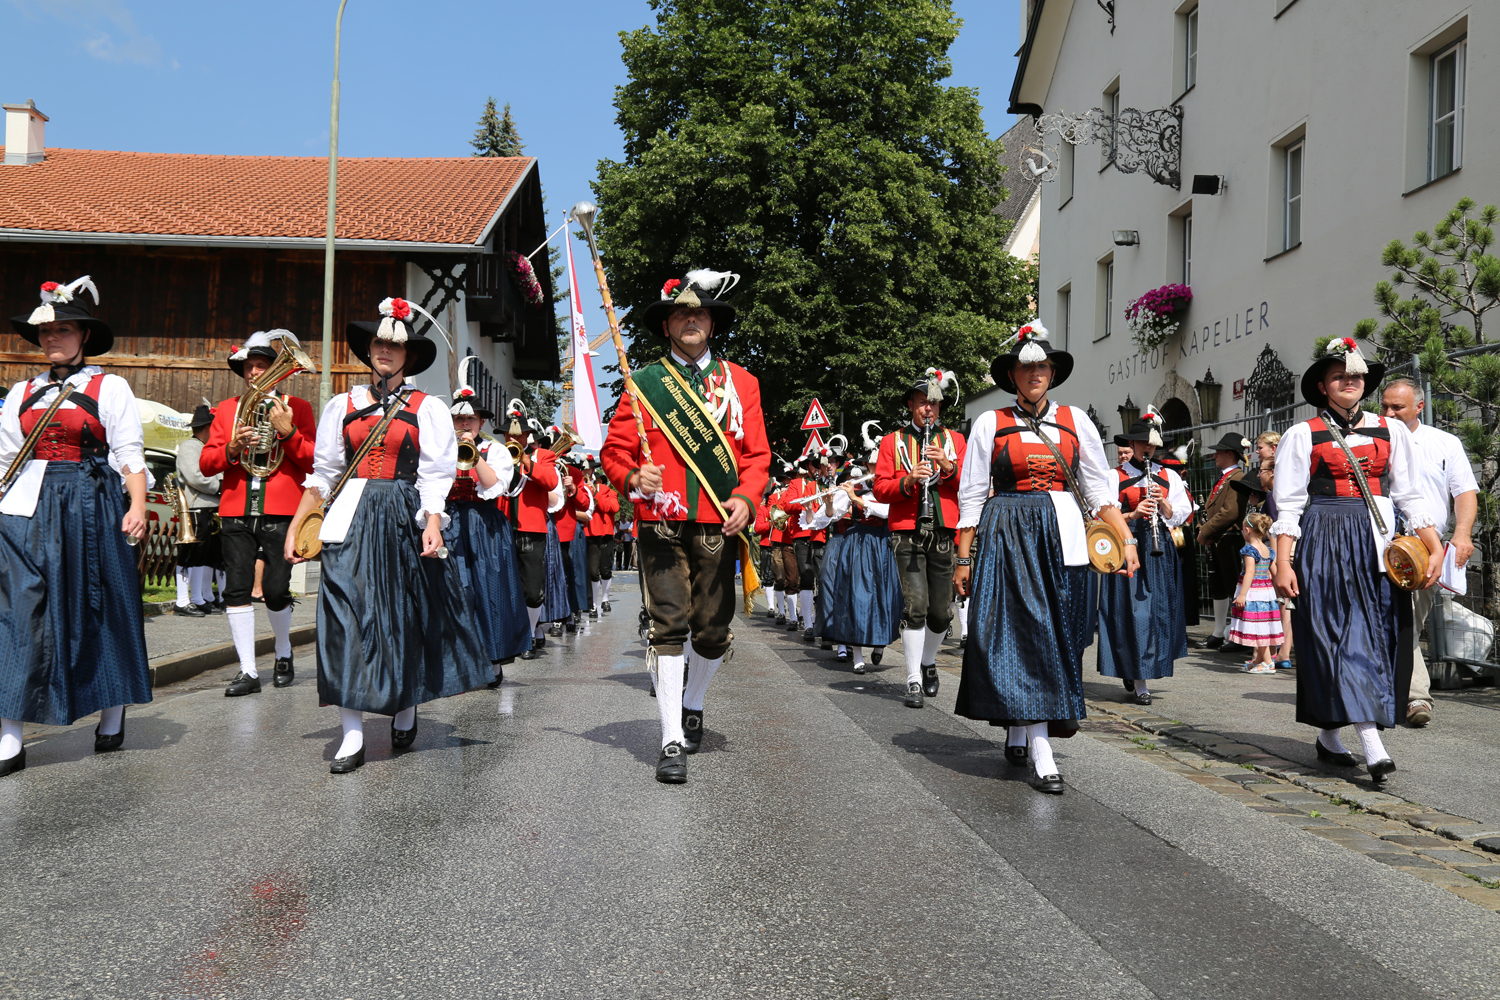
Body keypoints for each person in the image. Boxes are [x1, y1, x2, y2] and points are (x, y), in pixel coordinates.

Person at [286, 296, 489, 774]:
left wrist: (433, 524)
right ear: (370, 349)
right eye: (379, 342)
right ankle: (352, 733)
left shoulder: (428, 408)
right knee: (343, 618)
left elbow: (437, 474)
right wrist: (296, 526)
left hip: (402, 514)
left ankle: (405, 704)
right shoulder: (343, 405)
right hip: (350, 517)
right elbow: (323, 473)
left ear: (409, 356)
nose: (386, 350)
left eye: (396, 345)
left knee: (401, 616)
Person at [599, 269, 770, 784]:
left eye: (699, 313)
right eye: (681, 313)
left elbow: (757, 456)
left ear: (711, 324)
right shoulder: (643, 384)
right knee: (668, 625)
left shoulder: (743, 383)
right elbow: (613, 454)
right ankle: (671, 736)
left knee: (713, 633)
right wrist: (634, 475)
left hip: (719, 522)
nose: (691, 319)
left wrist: (746, 497)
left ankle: (693, 701)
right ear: (668, 325)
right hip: (663, 523)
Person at [953, 320, 1136, 794]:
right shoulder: (989, 423)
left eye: (1043, 366)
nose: (1035, 373)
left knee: (1068, 635)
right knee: (1025, 632)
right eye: (1026, 366)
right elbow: (972, 493)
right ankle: (1040, 747)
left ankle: (1020, 725)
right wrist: (964, 558)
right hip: (1010, 532)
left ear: (1052, 373)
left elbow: (1098, 490)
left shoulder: (1077, 421)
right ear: (1012, 374)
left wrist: (1127, 541)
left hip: (1068, 535)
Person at [1271, 339, 1442, 781]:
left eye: (1356, 375)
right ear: (1324, 386)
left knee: (1371, 637)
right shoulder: (1301, 434)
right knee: (1332, 638)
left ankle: (1330, 737)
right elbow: (1288, 505)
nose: (1350, 380)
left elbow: (1407, 493)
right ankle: (1372, 743)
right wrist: (1283, 562)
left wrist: (1434, 545)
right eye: (1339, 375)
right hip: (1324, 538)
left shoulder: (1393, 431)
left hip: (1377, 543)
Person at [0, 276, 151, 775]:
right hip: (27, 508)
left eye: (64, 329)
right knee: (20, 609)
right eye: (46, 331)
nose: (52, 338)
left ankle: (112, 709)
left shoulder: (109, 386)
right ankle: (11, 730)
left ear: (84, 335)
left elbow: (129, 453)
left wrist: (137, 505)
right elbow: (5, 459)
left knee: (102, 602)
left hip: (92, 502)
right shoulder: (22, 391)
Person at [199, 330, 318, 696]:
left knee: (276, 589)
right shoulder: (227, 409)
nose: (254, 372)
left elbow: (314, 460)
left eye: (261, 366)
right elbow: (206, 464)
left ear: (277, 371)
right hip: (236, 508)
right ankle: (248, 670)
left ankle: (283, 653)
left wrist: (287, 432)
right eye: (249, 366)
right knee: (236, 588)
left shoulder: (297, 407)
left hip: (282, 510)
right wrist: (232, 448)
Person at [1381, 378, 1478, 727]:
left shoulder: (1443, 443)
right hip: (1375, 542)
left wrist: (1463, 534)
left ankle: (1407, 694)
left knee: (1408, 620)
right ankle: (1414, 698)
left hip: (1423, 549)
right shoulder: (1371, 439)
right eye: (1385, 406)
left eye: (1398, 407)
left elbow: (1464, 491)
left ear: (1419, 407)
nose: (1389, 413)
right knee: (1383, 619)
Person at [872, 367, 967, 709]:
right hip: (907, 532)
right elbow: (880, 489)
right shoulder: (892, 441)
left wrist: (949, 467)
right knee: (916, 608)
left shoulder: (954, 441)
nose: (929, 408)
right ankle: (912, 677)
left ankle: (928, 661)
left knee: (941, 613)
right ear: (911, 405)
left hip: (943, 530)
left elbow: (969, 487)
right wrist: (909, 480)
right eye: (923, 402)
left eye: (935, 404)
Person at [445, 360, 531, 686]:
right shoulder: (440, 447)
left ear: (481, 421)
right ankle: (459, 659)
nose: (464, 423)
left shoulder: (494, 449)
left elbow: (496, 485)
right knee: (455, 591)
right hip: (450, 521)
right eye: (459, 417)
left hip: (484, 526)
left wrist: (473, 453)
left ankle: (493, 660)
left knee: (487, 591)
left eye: (470, 418)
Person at [1096, 414, 1191, 706]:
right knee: (1135, 613)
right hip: (1128, 546)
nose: (1146, 450)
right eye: (1141, 444)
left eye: (1151, 445)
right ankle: (1138, 678)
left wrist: (1162, 504)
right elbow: (1100, 517)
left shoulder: (1168, 476)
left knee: (1158, 613)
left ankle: (1142, 669)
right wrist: (1134, 515)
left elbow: (1182, 514)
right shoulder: (1115, 476)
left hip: (1159, 546)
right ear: (1133, 444)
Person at [820, 466, 901, 674]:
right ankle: (857, 655)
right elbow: (833, 516)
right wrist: (829, 503)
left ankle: (879, 643)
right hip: (857, 546)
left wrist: (855, 498)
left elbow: (886, 511)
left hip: (882, 545)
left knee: (883, 596)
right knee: (855, 597)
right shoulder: (856, 490)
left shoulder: (888, 491)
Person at [498, 402, 560, 658]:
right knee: (503, 585)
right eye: (509, 435)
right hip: (501, 526)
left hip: (531, 529)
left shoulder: (542, 456)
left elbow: (551, 481)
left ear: (527, 436)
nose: (513, 438)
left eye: (518, 434)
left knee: (532, 591)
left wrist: (525, 460)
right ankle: (509, 636)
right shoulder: (496, 453)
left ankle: (530, 631)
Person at [1198, 431, 1250, 650]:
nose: (1215, 456)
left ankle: (1239, 634)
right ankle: (1219, 632)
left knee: (1232, 586)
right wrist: (1207, 531)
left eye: (1218, 451)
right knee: (1218, 585)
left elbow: (1230, 512)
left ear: (1229, 454)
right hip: (1220, 537)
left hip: (1230, 538)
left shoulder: (1237, 477)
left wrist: (1205, 530)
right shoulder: (1226, 477)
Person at [173, 404, 224, 617]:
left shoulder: (205, 446)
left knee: (208, 555)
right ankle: (183, 600)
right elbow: (195, 476)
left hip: (210, 507)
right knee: (191, 554)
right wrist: (220, 487)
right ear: (207, 427)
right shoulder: (190, 446)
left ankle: (199, 597)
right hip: (196, 507)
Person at [1230, 510, 1283, 674]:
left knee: (1258, 628)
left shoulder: (1249, 550)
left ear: (1247, 530)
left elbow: (1250, 572)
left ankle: (1268, 662)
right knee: (1263, 626)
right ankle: (1259, 660)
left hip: (1254, 593)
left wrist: (1242, 594)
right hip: (1267, 593)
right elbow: (1274, 571)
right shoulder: (1268, 550)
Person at [585, 465, 620, 615]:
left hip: (606, 534)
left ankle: (605, 599)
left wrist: (596, 493)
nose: (596, 482)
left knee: (606, 569)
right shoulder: (586, 491)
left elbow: (611, 508)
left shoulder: (610, 493)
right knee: (593, 571)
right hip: (591, 533)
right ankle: (593, 602)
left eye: (598, 480)